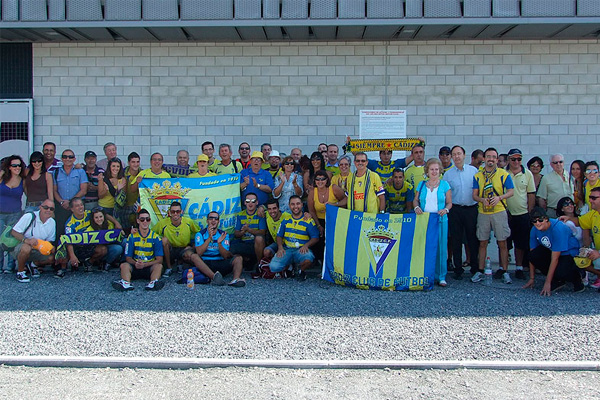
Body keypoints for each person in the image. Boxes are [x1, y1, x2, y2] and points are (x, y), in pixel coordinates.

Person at [471, 147, 514, 284]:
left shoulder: (503, 174)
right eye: (488, 156)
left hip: (499, 211)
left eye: (493, 157)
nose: (491, 159)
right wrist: (482, 200)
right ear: (484, 158)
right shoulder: (478, 175)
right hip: (483, 212)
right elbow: (474, 195)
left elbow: (511, 191)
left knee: (502, 242)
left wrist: (499, 198)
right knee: (482, 242)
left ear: (497, 159)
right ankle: (480, 270)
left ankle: (504, 271)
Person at [523, 207, 584, 295]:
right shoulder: (534, 229)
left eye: (540, 220)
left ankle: (577, 277)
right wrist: (532, 278)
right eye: (534, 221)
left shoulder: (557, 229)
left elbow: (555, 258)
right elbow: (532, 252)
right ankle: (556, 280)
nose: (537, 223)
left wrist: (547, 283)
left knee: (561, 271)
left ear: (546, 219)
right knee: (533, 255)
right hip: (552, 250)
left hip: (568, 252)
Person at [56, 197, 122, 277]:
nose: (80, 207)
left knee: (103, 249)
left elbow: (104, 215)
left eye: (81, 205)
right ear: (72, 209)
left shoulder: (88, 213)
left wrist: (116, 223)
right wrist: (72, 256)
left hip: (90, 245)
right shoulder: (69, 224)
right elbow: (68, 241)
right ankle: (63, 268)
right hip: (77, 247)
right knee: (62, 250)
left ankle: (88, 263)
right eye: (77, 206)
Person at [414, 158, 452, 286]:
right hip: (424, 221)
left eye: (436, 169)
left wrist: (446, 209)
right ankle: (425, 274)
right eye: (432, 169)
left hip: (440, 220)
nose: (434, 172)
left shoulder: (445, 185)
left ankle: (441, 276)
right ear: (427, 171)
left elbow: (449, 202)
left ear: (440, 170)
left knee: (441, 247)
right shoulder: (421, 184)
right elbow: (415, 200)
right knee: (424, 247)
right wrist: (416, 207)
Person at [443, 145, 479, 279]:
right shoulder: (448, 174)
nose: (457, 156)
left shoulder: (473, 171)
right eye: (454, 154)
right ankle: (458, 269)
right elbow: (446, 195)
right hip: (455, 210)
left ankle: (474, 268)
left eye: (459, 154)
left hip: (471, 209)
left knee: (472, 239)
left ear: (464, 155)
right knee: (456, 239)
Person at [112, 209, 165, 291]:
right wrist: (136, 263)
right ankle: (126, 283)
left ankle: (153, 282)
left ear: (150, 221)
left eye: (147, 219)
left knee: (159, 266)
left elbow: (160, 260)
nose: (145, 221)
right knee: (124, 265)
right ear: (138, 221)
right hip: (135, 266)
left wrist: (145, 265)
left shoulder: (156, 237)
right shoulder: (132, 236)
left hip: (148, 267)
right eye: (142, 219)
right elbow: (128, 258)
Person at [270, 195, 320, 281]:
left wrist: (306, 245)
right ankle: (289, 266)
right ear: (289, 205)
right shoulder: (285, 220)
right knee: (273, 267)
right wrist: (280, 247)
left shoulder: (308, 220)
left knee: (308, 259)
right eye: (292, 204)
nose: (295, 206)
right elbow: (279, 235)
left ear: (301, 205)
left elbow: (315, 237)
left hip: (301, 249)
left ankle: (301, 270)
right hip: (287, 249)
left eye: (298, 204)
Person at [559, 188, 600, 289]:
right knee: (581, 260)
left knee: (597, 260)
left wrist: (599, 252)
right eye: (590, 197)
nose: (590, 200)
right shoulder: (593, 214)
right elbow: (580, 221)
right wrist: (568, 218)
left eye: (594, 198)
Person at [191, 211, 246, 287]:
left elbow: (226, 256)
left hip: (220, 261)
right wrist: (209, 238)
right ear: (207, 221)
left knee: (238, 258)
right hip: (205, 263)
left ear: (218, 221)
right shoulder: (200, 234)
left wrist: (219, 243)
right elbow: (199, 252)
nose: (213, 220)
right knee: (194, 256)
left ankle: (235, 279)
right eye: (211, 218)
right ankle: (215, 278)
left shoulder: (223, 234)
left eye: (216, 219)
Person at [505, 148, 536, 280]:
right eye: (513, 159)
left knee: (520, 243)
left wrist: (529, 212)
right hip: (505, 213)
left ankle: (519, 268)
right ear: (508, 160)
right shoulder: (503, 173)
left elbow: (531, 194)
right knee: (505, 242)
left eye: (519, 159)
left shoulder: (527, 174)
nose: (516, 162)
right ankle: (503, 268)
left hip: (522, 213)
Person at [10, 199, 56, 283]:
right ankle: (20, 272)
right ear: (40, 208)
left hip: (38, 248)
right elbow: (14, 232)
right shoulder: (29, 216)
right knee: (26, 248)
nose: (48, 210)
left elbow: (50, 241)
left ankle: (33, 265)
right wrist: (26, 240)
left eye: (51, 209)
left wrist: (51, 248)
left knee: (51, 257)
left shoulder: (52, 222)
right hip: (20, 246)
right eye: (46, 207)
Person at [151, 201, 200, 277]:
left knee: (192, 249)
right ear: (169, 212)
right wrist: (138, 231)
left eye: (178, 211)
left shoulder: (188, 222)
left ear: (181, 212)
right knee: (164, 240)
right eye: (173, 211)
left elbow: (199, 233)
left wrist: (193, 245)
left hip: (184, 248)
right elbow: (151, 233)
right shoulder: (163, 223)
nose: (175, 214)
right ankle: (169, 268)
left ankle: (181, 264)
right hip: (170, 250)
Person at [307, 170, 347, 263]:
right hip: (319, 220)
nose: (320, 181)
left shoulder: (333, 188)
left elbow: (346, 200)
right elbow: (311, 210)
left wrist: (334, 204)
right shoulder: (313, 192)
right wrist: (318, 226)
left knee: (333, 243)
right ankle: (321, 263)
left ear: (327, 180)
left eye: (322, 179)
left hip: (334, 219)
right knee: (319, 240)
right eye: (317, 179)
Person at [52, 149, 88, 238]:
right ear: (61, 159)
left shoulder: (80, 171)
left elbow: (83, 190)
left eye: (70, 157)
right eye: (65, 157)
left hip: (77, 207)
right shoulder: (56, 172)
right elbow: (54, 191)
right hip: (61, 207)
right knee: (60, 231)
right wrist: (61, 202)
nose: (68, 159)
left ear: (74, 159)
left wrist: (70, 202)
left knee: (78, 232)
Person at [0, 155, 26, 274]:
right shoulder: (2, 178)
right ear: (9, 167)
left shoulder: (22, 180)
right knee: (0, 240)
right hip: (0, 214)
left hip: (15, 214)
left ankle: (10, 266)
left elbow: (29, 194)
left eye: (19, 165)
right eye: (14, 165)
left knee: (12, 241)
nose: (17, 167)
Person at [231, 192, 266, 269]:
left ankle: (260, 264)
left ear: (257, 202)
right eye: (247, 201)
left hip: (256, 245)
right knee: (230, 246)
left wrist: (248, 229)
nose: (250, 203)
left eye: (253, 201)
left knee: (259, 238)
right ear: (244, 202)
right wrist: (242, 232)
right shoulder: (240, 215)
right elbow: (236, 234)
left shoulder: (260, 214)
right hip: (244, 243)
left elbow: (263, 232)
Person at [537, 154, 573, 218]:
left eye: (560, 162)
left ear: (564, 163)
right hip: (553, 212)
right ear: (551, 164)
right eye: (555, 162)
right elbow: (541, 198)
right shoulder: (546, 178)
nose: (558, 164)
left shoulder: (570, 175)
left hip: (570, 212)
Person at [121, 152, 142, 233]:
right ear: (129, 162)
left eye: (137, 162)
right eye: (133, 162)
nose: (136, 164)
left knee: (138, 229)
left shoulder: (143, 173)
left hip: (139, 206)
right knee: (126, 230)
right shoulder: (122, 173)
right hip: (125, 206)